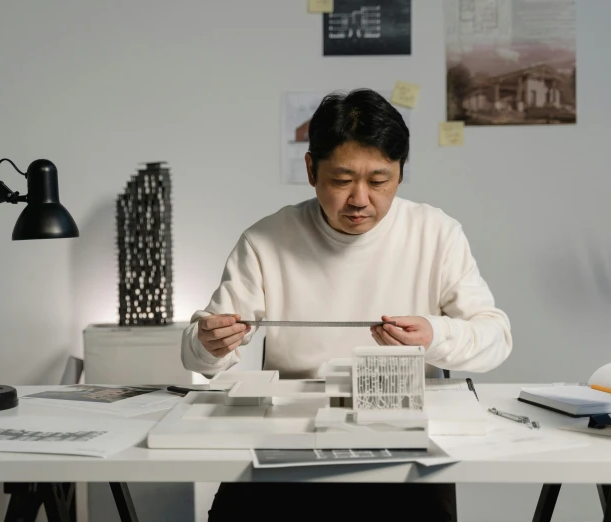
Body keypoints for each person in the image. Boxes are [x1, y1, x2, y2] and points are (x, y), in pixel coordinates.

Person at [180, 88, 512, 521]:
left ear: (400, 172)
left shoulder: (437, 233)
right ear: (311, 170)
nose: (359, 199)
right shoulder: (267, 239)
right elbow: (198, 357)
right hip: (291, 439)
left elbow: (496, 338)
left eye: (378, 181)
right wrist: (211, 343)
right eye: (341, 180)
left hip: (403, 442)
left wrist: (435, 335)